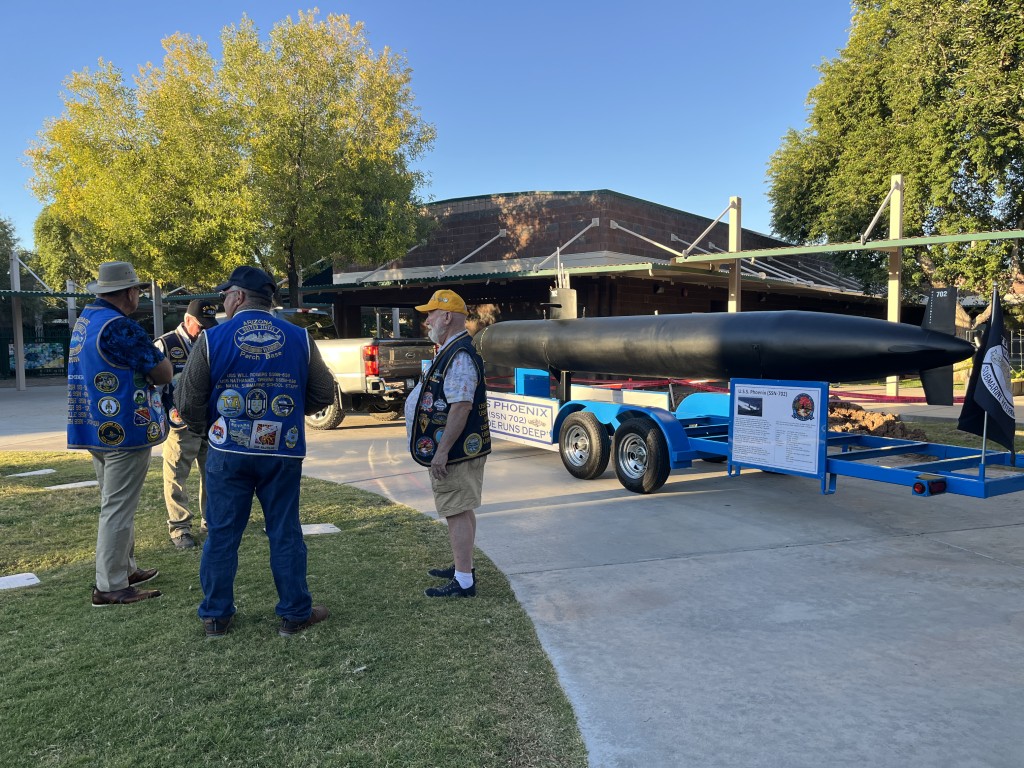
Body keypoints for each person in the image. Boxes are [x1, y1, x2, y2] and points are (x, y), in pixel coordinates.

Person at [174, 266, 336, 638]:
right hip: (283, 451)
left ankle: (216, 616)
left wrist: (209, 427)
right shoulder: (300, 337)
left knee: (221, 533)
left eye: (225, 294)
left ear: (240, 296)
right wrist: (293, 412)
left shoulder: (213, 339)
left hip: (228, 450)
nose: (223, 302)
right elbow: (324, 394)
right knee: (284, 530)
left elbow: (188, 401)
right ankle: (295, 613)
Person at [67, 261, 173, 606]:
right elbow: (163, 372)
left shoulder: (86, 321)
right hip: (125, 429)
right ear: (129, 292)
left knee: (113, 502)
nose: (138, 297)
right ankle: (110, 585)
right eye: (138, 291)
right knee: (118, 507)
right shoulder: (121, 328)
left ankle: (124, 569)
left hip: (95, 426)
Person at [406, 289, 490, 598]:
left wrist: (441, 453)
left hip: (453, 452)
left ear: (445, 317)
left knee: (456, 510)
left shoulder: (459, 355)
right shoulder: (452, 349)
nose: (426, 320)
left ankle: (464, 580)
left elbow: (461, 406)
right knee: (462, 508)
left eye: (430, 314)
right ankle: (461, 566)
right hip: (456, 450)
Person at [155, 299, 219, 550]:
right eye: (201, 326)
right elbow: (154, 387)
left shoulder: (212, 340)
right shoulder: (165, 344)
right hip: (179, 425)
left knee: (212, 474)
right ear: (188, 319)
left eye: (209, 326)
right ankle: (180, 528)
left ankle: (210, 520)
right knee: (176, 478)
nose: (204, 331)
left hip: (210, 423)